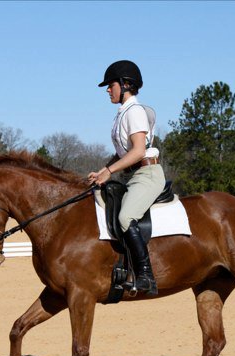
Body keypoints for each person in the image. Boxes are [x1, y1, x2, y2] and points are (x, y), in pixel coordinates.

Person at [88, 60, 165, 295]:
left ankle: (145, 275)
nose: (108, 90)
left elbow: (138, 150)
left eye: (110, 85)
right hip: (134, 176)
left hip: (148, 173)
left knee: (125, 216)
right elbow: (121, 152)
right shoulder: (123, 113)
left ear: (125, 84)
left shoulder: (135, 111)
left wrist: (110, 172)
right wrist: (104, 169)